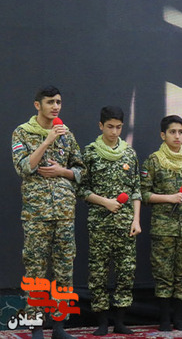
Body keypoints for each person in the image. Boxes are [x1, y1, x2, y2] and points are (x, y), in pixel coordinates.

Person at [11, 86, 85, 339]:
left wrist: (63, 172)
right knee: (36, 271)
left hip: (64, 213)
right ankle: (36, 327)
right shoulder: (22, 132)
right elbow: (23, 168)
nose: (56, 107)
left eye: (59, 102)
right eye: (50, 102)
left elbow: (81, 171)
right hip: (37, 215)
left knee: (64, 270)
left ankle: (59, 327)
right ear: (37, 105)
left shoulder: (67, 135)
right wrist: (47, 141)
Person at [79, 106, 141, 335]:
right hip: (100, 223)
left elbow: (136, 190)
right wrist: (105, 202)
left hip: (126, 224)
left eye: (118, 127)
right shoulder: (90, 153)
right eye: (110, 127)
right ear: (101, 126)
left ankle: (120, 322)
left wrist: (136, 220)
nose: (114, 132)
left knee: (126, 272)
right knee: (98, 273)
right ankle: (102, 322)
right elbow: (81, 189)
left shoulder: (129, 153)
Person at [140, 115, 182, 331]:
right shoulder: (153, 161)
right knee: (163, 275)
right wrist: (169, 198)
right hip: (163, 229)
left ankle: (179, 319)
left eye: (180, 132)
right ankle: (164, 319)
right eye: (172, 132)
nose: (177, 136)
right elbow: (143, 194)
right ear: (163, 135)